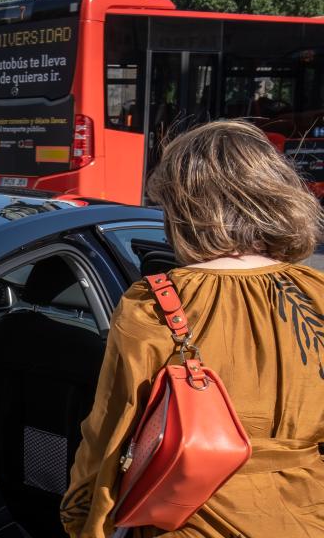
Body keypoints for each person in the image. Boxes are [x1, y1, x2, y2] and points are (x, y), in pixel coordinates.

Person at [61, 120, 324, 537]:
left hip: (190, 522)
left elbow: (107, 439)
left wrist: (83, 522)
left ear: (185, 212)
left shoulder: (155, 303)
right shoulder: (318, 294)